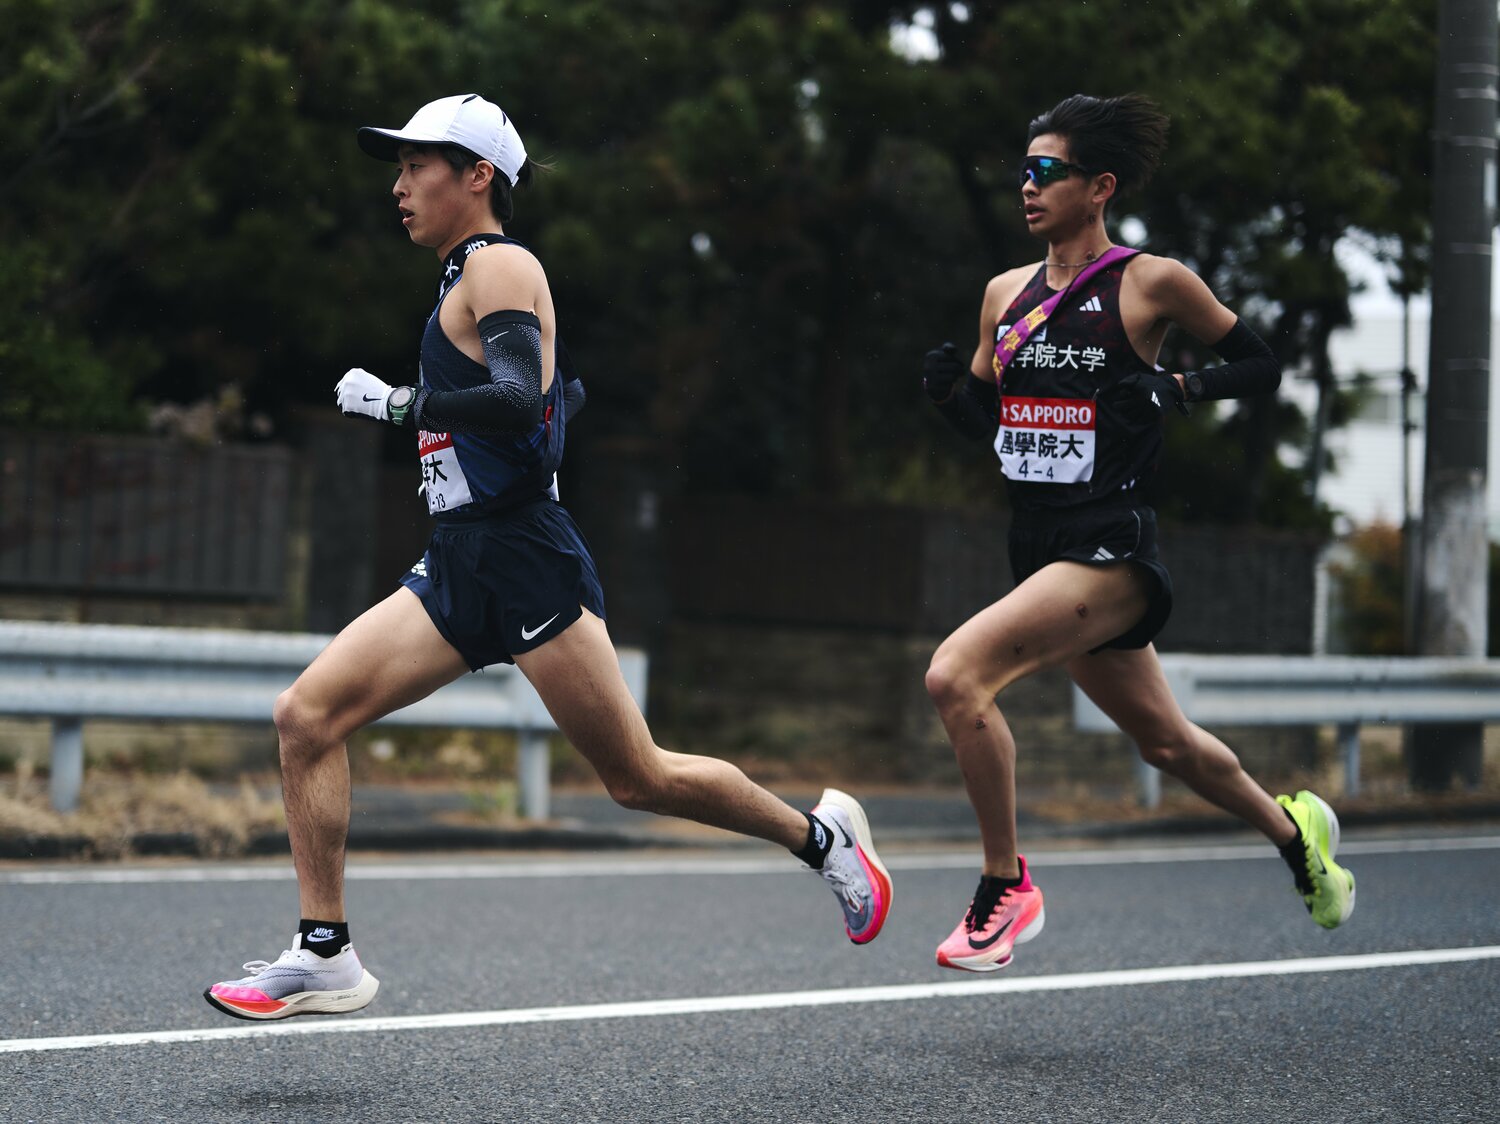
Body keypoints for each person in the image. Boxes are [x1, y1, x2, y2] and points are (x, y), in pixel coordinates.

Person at [204, 94, 891, 1021]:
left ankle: (823, 841)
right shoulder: (459, 279)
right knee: (307, 715)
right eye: (397, 167)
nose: (399, 184)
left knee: (636, 777)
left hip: (525, 556)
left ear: (478, 175)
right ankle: (325, 951)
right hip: (458, 560)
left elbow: (520, 396)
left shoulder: (500, 265)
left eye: (418, 165)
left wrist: (400, 405)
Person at [919, 93, 1355, 974]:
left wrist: (1177, 390)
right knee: (1166, 742)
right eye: (1023, 172)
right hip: (1038, 547)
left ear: (1099, 186)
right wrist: (951, 399)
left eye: (1048, 172)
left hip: (1109, 547)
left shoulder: (1150, 281)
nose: (1027, 188)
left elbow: (1264, 362)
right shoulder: (1003, 295)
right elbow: (997, 424)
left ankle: (1006, 887)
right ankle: (1296, 836)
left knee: (956, 677)